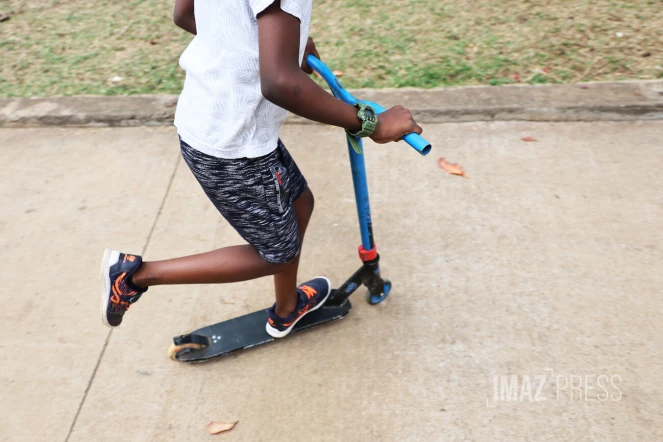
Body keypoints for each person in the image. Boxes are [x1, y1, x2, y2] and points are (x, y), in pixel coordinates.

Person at [100, 0, 422, 338]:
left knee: (301, 203)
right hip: (236, 148)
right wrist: (370, 123)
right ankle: (133, 277)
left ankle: (287, 308)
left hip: (216, 123)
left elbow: (185, 14)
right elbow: (280, 83)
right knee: (276, 256)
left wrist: (279, 45)